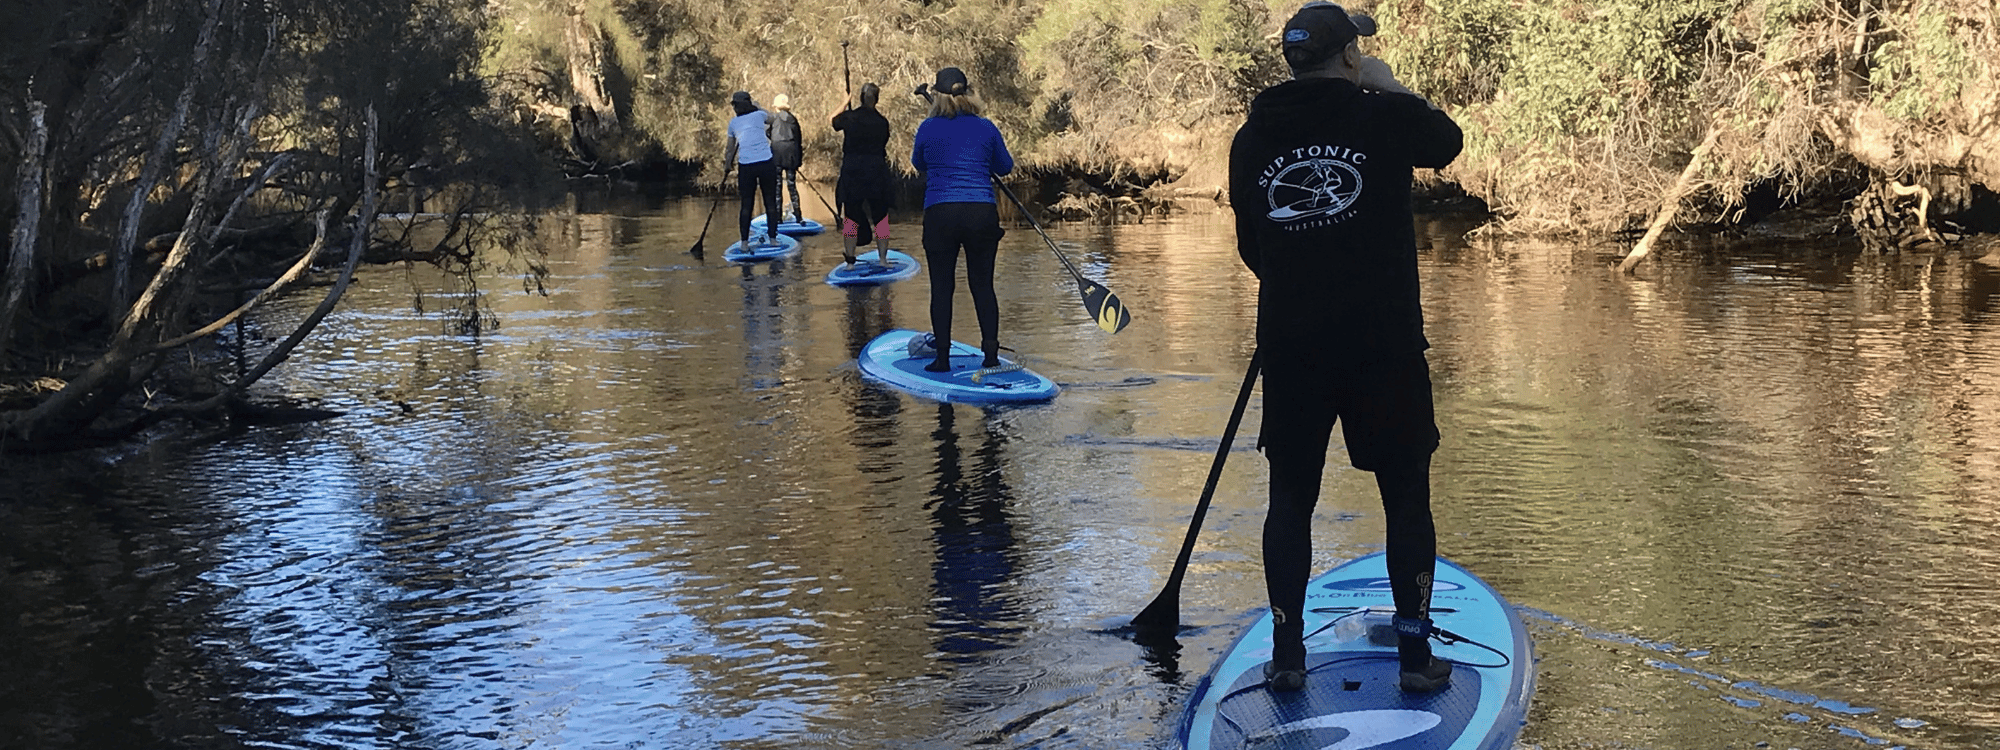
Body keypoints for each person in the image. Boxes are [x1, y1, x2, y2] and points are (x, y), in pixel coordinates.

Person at [1227, 2, 1463, 694]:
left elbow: (1252, 244)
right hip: (1382, 340)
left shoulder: (1252, 135)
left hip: (1293, 341)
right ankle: (1416, 660)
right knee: (1405, 498)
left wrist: (1301, 277)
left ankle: (1288, 655)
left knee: (1290, 497)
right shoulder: (1383, 114)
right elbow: (1445, 143)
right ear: (1350, 57)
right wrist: (1394, 88)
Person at [911, 67, 1014, 373]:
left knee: (942, 287)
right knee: (983, 286)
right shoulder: (986, 127)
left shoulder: (928, 128)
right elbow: (1004, 166)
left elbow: (919, 163)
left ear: (938, 97)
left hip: (941, 212)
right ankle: (991, 355)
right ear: (969, 93)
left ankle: (942, 358)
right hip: (980, 212)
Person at [832, 82, 896, 266]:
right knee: (881, 217)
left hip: (853, 171)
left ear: (860, 98)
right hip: (876, 170)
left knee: (851, 217)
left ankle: (850, 261)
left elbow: (833, 121)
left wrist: (845, 102)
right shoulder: (882, 122)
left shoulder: (850, 117)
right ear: (877, 99)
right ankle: (883, 259)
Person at [723, 90, 781, 248]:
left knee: (746, 204)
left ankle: (744, 242)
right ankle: (773, 239)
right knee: (770, 202)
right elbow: (772, 118)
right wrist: (759, 107)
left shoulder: (733, 123)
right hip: (765, 163)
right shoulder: (759, 115)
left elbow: (730, 149)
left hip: (746, 166)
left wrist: (727, 164)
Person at [769, 94, 805, 224]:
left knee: (777, 186)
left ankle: (778, 218)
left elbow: (768, 133)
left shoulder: (772, 119)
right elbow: (798, 139)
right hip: (791, 154)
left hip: (777, 153)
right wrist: (798, 161)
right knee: (792, 185)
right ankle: (798, 216)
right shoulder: (793, 119)